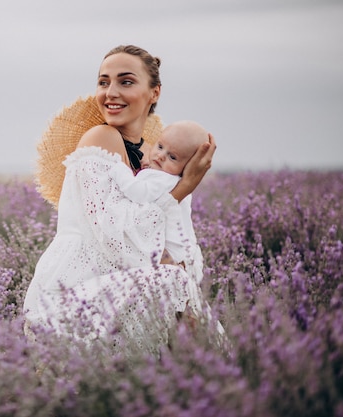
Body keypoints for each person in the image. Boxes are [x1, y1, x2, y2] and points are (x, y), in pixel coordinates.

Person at [23, 45, 217, 354]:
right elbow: (115, 237)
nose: (110, 92)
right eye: (103, 82)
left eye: (125, 82)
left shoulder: (157, 155)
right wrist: (185, 186)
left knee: (180, 290)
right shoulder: (101, 138)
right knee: (171, 284)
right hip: (76, 288)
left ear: (154, 93)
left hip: (122, 286)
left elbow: (177, 238)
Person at [109, 120, 210, 282]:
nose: (161, 156)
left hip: (170, 255)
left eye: (173, 157)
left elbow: (138, 193)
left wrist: (119, 169)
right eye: (160, 147)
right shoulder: (168, 178)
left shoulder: (164, 180)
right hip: (181, 253)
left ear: (187, 166)